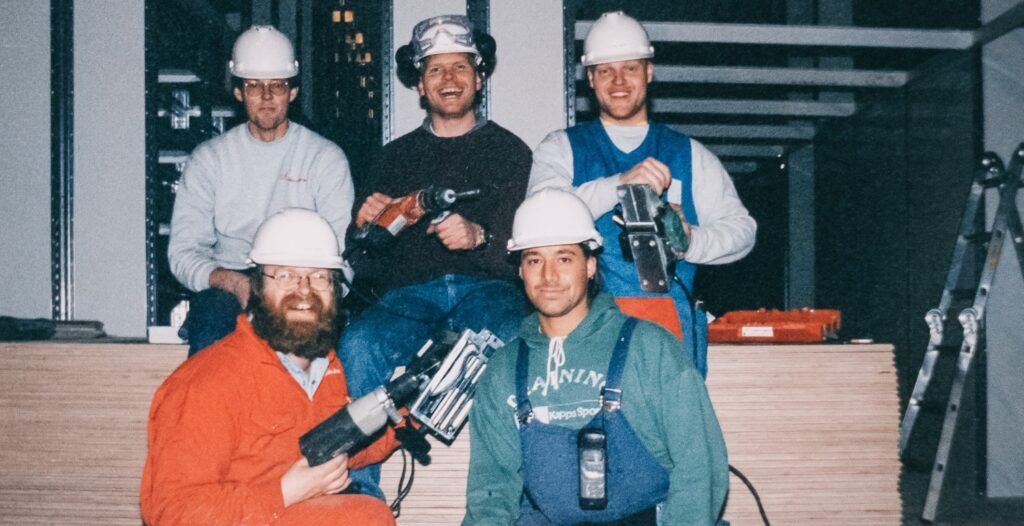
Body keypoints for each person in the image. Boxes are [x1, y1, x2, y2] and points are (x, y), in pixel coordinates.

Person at [338, 15, 531, 498]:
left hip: (489, 292)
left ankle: (510, 496)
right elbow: (362, 265)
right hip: (409, 298)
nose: (449, 79)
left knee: (517, 339)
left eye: (460, 67)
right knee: (358, 344)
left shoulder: (511, 153)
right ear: (420, 84)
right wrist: (364, 229)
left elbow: (529, 257)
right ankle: (360, 495)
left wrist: (481, 237)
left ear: (479, 77)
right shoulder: (392, 158)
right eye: (436, 69)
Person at [463, 190, 729, 525]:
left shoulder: (650, 348)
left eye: (564, 259)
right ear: (520, 271)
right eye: (534, 260)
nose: (548, 277)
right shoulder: (503, 370)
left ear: (590, 265)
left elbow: (699, 468)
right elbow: (491, 491)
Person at [528, 11, 757, 377]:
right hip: (584, 324)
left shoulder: (689, 154)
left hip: (669, 325)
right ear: (590, 78)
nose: (618, 81)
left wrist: (690, 242)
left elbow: (743, 232)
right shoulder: (561, 149)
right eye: (605, 71)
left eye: (630, 68)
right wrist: (619, 184)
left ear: (649, 72)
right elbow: (541, 216)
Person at [141, 208, 398, 525]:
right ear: (258, 286)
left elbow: (338, 448)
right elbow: (171, 511)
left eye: (319, 277)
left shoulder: (325, 369)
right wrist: (284, 492)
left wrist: (407, 418)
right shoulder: (207, 383)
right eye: (285, 276)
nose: (304, 290)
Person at [169, 25, 354, 356]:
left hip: (303, 280)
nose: (266, 97)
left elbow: (342, 253)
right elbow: (183, 252)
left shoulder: (324, 158)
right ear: (239, 92)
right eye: (254, 86)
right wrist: (233, 282)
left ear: (292, 92)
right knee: (211, 340)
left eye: (277, 86)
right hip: (231, 284)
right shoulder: (210, 159)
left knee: (319, 349)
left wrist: (298, 285)